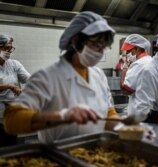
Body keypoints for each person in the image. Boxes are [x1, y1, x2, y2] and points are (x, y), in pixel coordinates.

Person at [3, 11, 119, 144]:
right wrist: (63, 116)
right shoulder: (48, 77)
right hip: (58, 155)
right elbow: (12, 120)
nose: (100, 52)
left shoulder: (99, 76)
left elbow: (109, 114)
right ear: (76, 41)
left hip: (94, 154)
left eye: (104, 47)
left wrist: (126, 128)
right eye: (96, 45)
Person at [0, 35, 30, 146]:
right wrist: (10, 86)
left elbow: (28, 78)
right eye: (5, 48)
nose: (9, 51)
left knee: (11, 142)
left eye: (10, 48)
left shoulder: (14, 64)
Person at [120, 34, 152, 115]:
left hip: (139, 112)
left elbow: (125, 90)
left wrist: (125, 67)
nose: (127, 54)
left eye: (128, 51)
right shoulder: (150, 60)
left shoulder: (139, 64)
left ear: (137, 48)